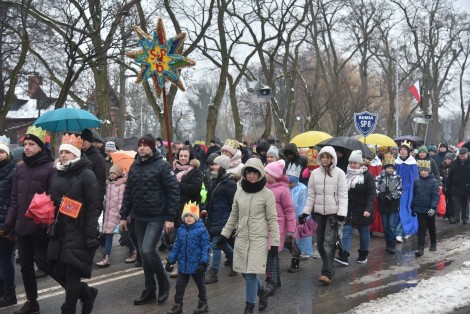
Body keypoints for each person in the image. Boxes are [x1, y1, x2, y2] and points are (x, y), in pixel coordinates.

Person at [119, 134, 180, 306]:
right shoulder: (135, 166)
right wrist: (124, 215)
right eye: (140, 145)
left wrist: (170, 218)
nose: (142, 148)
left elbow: (173, 192)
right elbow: (128, 192)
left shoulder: (162, 165)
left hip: (157, 216)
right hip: (139, 216)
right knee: (144, 256)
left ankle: (164, 282)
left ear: (152, 148)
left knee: (147, 250)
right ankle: (150, 290)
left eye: (145, 145)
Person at [4, 126, 55, 314]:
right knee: (25, 265)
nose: (27, 147)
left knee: (45, 264)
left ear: (41, 147)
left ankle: (76, 290)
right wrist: (9, 224)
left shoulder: (50, 169)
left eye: (31, 144)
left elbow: (54, 200)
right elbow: (15, 200)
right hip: (22, 227)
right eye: (25, 144)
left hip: (41, 227)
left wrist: (46, 225)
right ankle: (32, 301)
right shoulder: (20, 170)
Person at [48, 133, 101, 314]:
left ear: (76, 154)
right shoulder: (56, 174)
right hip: (59, 231)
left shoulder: (87, 175)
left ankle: (68, 308)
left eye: (67, 152)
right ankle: (86, 293)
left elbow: (94, 206)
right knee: (56, 269)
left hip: (79, 229)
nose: (63, 155)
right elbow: (52, 201)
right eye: (61, 152)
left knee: (72, 272)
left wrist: (90, 234)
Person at [217, 158, 279, 313]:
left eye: (255, 173)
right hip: (242, 237)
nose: (251, 176)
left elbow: (272, 219)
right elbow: (234, 215)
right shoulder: (239, 192)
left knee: (251, 274)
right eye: (248, 172)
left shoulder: (267, 195)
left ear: (260, 174)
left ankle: (249, 306)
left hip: (259, 239)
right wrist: (224, 234)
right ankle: (262, 292)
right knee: (245, 273)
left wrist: (275, 243)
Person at [299, 146, 347, 285]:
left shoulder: (339, 173)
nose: (325, 159)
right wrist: (305, 212)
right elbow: (311, 195)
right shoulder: (315, 174)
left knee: (329, 243)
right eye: (323, 157)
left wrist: (342, 213)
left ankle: (327, 271)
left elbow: (343, 195)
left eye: (328, 157)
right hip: (319, 213)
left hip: (333, 213)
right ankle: (328, 266)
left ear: (332, 158)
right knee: (320, 243)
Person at [165, 202, 210, 314]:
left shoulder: (202, 230)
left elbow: (206, 247)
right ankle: (177, 306)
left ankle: (203, 303)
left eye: (191, 216)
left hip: (197, 265)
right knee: (179, 286)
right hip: (183, 265)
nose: (188, 218)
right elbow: (176, 247)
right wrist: (170, 260)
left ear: (196, 217)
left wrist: (204, 262)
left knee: (201, 286)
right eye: (186, 216)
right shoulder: (181, 230)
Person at [334, 150, 376, 266]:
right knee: (346, 231)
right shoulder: (345, 175)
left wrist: (368, 209)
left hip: (363, 210)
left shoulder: (367, 176)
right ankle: (344, 255)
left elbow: (372, 195)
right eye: (351, 162)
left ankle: (363, 255)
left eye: (355, 163)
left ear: (361, 164)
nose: (352, 165)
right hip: (349, 209)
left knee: (363, 233)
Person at [204, 155, 237, 284]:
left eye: (216, 165)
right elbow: (209, 197)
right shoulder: (215, 181)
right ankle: (236, 261)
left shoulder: (229, 183)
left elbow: (234, 204)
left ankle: (214, 272)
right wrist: (205, 208)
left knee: (216, 244)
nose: (213, 167)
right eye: (213, 164)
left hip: (224, 218)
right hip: (214, 217)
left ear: (222, 167)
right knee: (222, 243)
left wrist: (233, 222)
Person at [96, 164, 137, 267]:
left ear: (119, 174)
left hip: (118, 215)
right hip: (109, 215)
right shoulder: (109, 184)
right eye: (110, 173)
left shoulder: (122, 185)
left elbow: (121, 201)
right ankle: (106, 258)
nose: (112, 175)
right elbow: (108, 199)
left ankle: (134, 251)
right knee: (108, 236)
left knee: (125, 236)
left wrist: (121, 214)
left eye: (114, 173)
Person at [171, 147, 203, 277]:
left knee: (190, 239)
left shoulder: (196, 172)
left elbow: (195, 189)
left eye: (185, 156)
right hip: (175, 209)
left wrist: (177, 185)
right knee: (177, 239)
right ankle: (178, 265)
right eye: (181, 155)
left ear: (190, 158)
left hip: (189, 210)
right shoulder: (173, 171)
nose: (183, 158)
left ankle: (194, 263)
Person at [264, 160, 295, 294]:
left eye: (267, 172)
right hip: (264, 224)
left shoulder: (283, 189)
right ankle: (275, 280)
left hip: (277, 226)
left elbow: (289, 209)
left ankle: (271, 282)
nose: (264, 174)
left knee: (272, 253)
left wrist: (292, 228)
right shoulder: (263, 187)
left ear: (274, 175)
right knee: (270, 253)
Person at [0, 136, 18, 308]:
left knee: (5, 258)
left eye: (2, 152)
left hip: (6, 222)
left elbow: (14, 200)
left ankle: (9, 292)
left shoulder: (14, 171)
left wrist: (9, 225)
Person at [411, 161, 439, 257]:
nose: (423, 172)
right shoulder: (416, 181)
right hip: (420, 209)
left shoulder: (434, 182)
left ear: (429, 171)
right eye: (421, 170)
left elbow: (436, 196)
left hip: (429, 208)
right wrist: (413, 207)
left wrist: (433, 207)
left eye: (425, 170)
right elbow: (414, 195)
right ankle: (420, 249)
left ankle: (433, 243)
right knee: (421, 229)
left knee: (431, 226)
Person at [376, 154, 402, 254]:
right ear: (385, 168)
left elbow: (399, 190)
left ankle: (392, 244)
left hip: (393, 204)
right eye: (388, 168)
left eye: (391, 168)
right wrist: (380, 194)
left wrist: (391, 196)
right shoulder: (379, 177)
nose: (390, 170)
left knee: (392, 225)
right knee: (385, 226)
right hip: (383, 204)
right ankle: (387, 243)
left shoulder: (398, 178)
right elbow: (375, 188)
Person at [287, 168, 313, 263]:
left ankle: (299, 255)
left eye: (291, 183)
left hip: (300, 217)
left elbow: (302, 203)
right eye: (288, 183)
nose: (289, 185)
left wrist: (302, 216)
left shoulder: (302, 189)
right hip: (289, 217)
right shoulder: (286, 188)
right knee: (290, 239)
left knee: (300, 237)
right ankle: (296, 253)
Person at [394, 141, 419, 242]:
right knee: (397, 211)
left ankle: (400, 232)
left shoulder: (413, 164)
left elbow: (414, 179)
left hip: (408, 191)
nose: (403, 151)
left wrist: (411, 191)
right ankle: (404, 230)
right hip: (397, 190)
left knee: (405, 210)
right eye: (401, 149)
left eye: (405, 149)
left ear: (408, 151)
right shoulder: (397, 162)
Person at [80, 129, 106, 211]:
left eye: (85, 140)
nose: (83, 142)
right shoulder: (77, 155)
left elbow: (101, 180)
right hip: (78, 196)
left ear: (91, 142)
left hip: (91, 197)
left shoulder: (98, 158)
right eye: (81, 139)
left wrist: (99, 200)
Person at [446, 147, 470, 224]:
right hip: (455, 187)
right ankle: (456, 218)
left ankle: (465, 218)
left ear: (467, 154)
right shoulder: (455, 163)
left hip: (466, 187)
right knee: (456, 204)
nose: (462, 155)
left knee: (465, 204)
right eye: (460, 154)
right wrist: (448, 187)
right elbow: (450, 175)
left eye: (463, 154)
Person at [439, 153, 455, 219]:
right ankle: (445, 213)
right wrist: (440, 178)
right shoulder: (441, 166)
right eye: (446, 159)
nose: (447, 161)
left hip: (452, 186)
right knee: (444, 200)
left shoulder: (454, 167)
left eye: (449, 159)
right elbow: (438, 173)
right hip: (444, 185)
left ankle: (451, 214)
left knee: (451, 200)